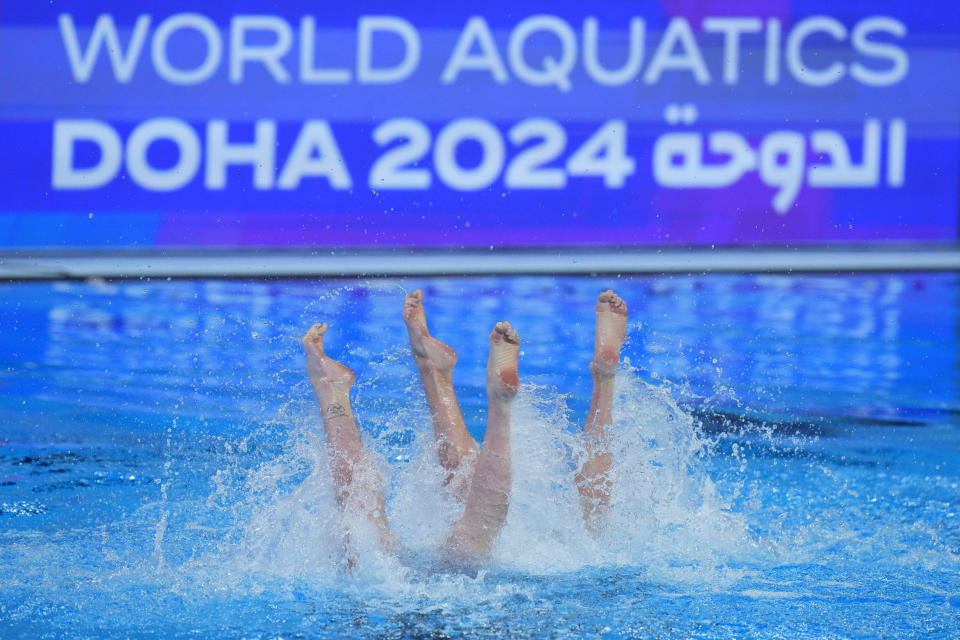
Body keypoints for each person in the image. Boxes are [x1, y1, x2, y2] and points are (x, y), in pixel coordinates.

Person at [300, 289, 628, 569]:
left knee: (371, 542)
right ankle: (348, 392)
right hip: (443, 589)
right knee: (371, 538)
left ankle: (346, 390)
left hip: (411, 589)